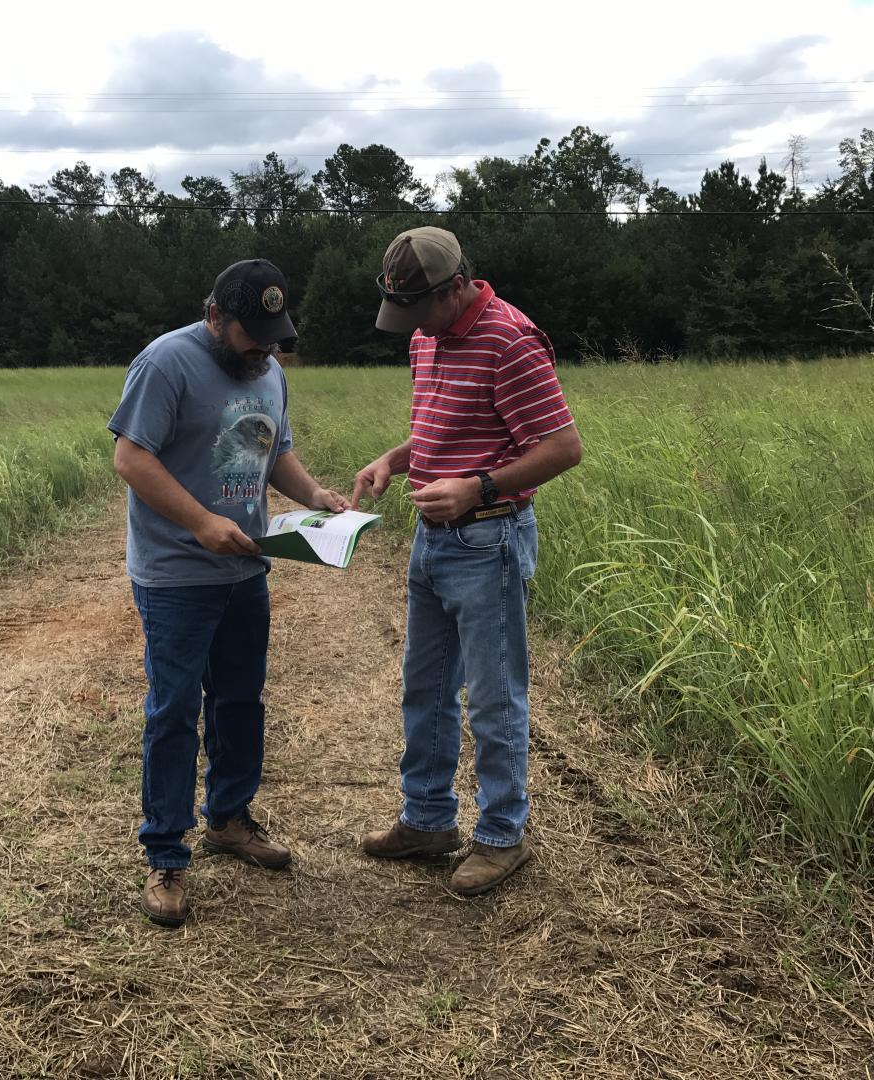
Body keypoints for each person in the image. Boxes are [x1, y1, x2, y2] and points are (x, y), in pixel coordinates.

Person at [109, 258, 347, 928]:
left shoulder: (268, 370)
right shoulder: (165, 363)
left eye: (275, 335)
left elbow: (276, 454)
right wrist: (202, 523)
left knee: (241, 700)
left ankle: (230, 818)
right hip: (177, 573)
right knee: (175, 709)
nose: (267, 349)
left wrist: (315, 496)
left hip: (247, 569)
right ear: (215, 315)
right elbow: (131, 458)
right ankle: (165, 851)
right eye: (254, 333)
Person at [353, 227, 583, 896]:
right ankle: (427, 819)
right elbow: (441, 426)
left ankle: (502, 837)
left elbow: (564, 447)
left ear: (456, 286)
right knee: (424, 688)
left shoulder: (511, 340)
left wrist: (479, 487)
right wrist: (395, 460)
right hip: (433, 541)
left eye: (421, 308)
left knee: (493, 697)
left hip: (490, 540)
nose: (413, 326)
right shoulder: (428, 335)